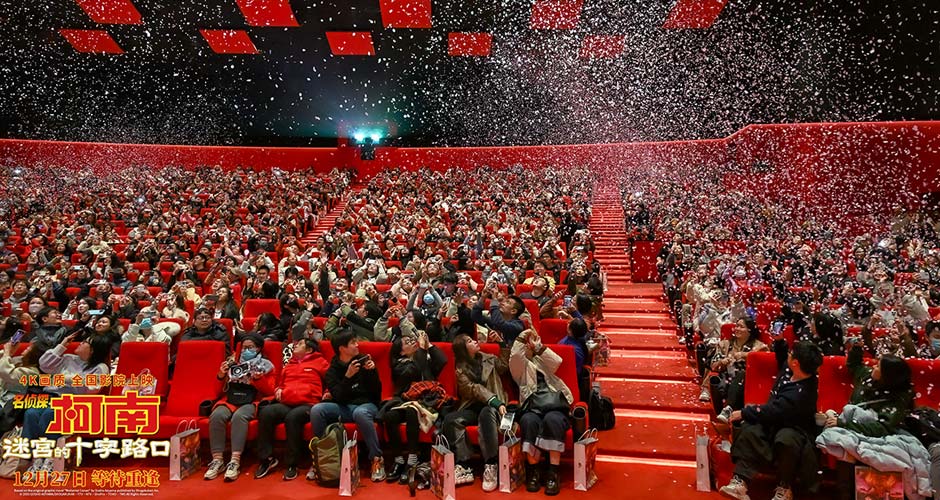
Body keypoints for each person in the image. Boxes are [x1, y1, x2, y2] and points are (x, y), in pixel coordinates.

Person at [718, 340, 824, 500]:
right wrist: (781, 343)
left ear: (795, 362)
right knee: (751, 430)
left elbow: (777, 411)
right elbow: (782, 357)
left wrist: (746, 412)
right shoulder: (791, 369)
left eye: (791, 354)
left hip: (796, 427)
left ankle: (784, 486)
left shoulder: (804, 392)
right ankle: (740, 481)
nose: (788, 355)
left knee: (786, 440)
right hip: (774, 420)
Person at [23, 332, 111, 473]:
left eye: (85, 342)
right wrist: (62, 344)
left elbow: (93, 389)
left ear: (93, 349)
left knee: (49, 414)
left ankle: (52, 457)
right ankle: (35, 457)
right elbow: (44, 365)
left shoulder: (100, 368)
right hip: (49, 396)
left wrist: (67, 378)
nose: (80, 343)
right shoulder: (68, 358)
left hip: (72, 402)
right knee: (31, 413)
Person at [308, 330, 385, 482]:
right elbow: (339, 397)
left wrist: (372, 372)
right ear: (342, 348)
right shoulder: (332, 371)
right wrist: (348, 377)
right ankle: (323, 456)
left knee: (360, 413)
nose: (357, 345)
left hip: (366, 405)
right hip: (344, 406)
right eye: (352, 343)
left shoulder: (363, 362)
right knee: (317, 410)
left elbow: (376, 394)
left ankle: (376, 458)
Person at [254, 337, 329, 481]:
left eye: (300, 344)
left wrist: (327, 393)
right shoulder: (289, 364)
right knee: (266, 413)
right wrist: (279, 390)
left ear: (309, 349)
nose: (295, 345)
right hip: (287, 401)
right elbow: (279, 384)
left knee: (293, 417)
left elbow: (330, 381)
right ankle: (266, 459)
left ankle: (292, 464)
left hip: (309, 403)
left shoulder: (320, 363)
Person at [378, 330, 448, 484]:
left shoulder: (423, 357)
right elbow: (415, 371)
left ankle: (412, 459)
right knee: (390, 416)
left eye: (412, 340)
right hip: (405, 400)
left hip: (427, 401)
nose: (413, 342)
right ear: (401, 352)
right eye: (408, 343)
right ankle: (398, 460)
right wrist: (422, 350)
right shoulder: (400, 366)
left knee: (412, 411)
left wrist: (428, 345)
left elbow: (443, 360)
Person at [510, 328, 574, 496]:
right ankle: (533, 471)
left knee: (552, 420)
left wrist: (540, 348)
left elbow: (557, 361)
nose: (529, 346)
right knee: (529, 422)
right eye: (527, 344)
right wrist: (521, 338)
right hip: (532, 406)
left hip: (555, 404)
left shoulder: (541, 360)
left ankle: (553, 473)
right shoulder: (520, 368)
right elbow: (515, 357)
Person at [442, 333, 509, 492]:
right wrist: (492, 400)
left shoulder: (489, 358)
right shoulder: (460, 369)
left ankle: (491, 463)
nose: (475, 341)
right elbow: (472, 389)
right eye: (470, 341)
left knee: (486, 413)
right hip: (472, 404)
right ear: (463, 349)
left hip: (494, 406)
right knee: (451, 419)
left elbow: (504, 367)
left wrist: (501, 343)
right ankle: (464, 464)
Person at [204, 333, 276, 482]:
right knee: (217, 415)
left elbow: (270, 391)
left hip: (252, 400)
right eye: (244, 347)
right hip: (231, 399)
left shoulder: (266, 365)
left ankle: (234, 461)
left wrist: (258, 379)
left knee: (239, 417)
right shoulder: (232, 362)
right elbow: (217, 391)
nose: (246, 350)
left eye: (250, 348)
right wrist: (221, 375)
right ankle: (217, 460)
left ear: (258, 348)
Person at [709, 318, 769, 419]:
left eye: (741, 327)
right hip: (727, 378)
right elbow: (713, 365)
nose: (737, 329)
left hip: (749, 382)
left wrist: (745, 355)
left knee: (741, 374)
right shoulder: (725, 344)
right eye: (736, 326)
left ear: (750, 330)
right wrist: (722, 362)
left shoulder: (760, 347)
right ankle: (725, 410)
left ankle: (729, 408)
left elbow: (765, 363)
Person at [471, 282, 526, 347]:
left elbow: (499, 323)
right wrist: (483, 298)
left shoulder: (518, 326)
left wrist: (494, 299)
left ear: (513, 311)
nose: (502, 303)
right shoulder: (496, 319)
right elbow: (475, 316)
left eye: (507, 302)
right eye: (505, 301)